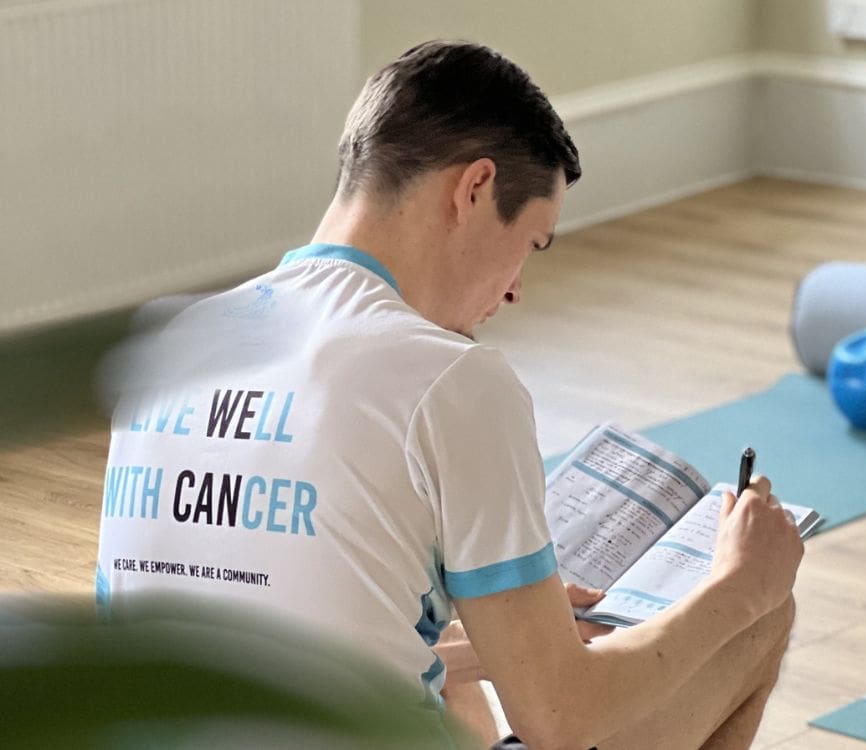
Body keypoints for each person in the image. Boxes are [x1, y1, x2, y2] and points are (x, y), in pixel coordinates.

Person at [96, 40, 804, 749]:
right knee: (755, 622)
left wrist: (493, 645)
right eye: (531, 243)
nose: (515, 288)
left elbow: (243, 638)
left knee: (449, 672)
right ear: (473, 189)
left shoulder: (174, 344)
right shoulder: (450, 379)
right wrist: (740, 586)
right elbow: (562, 718)